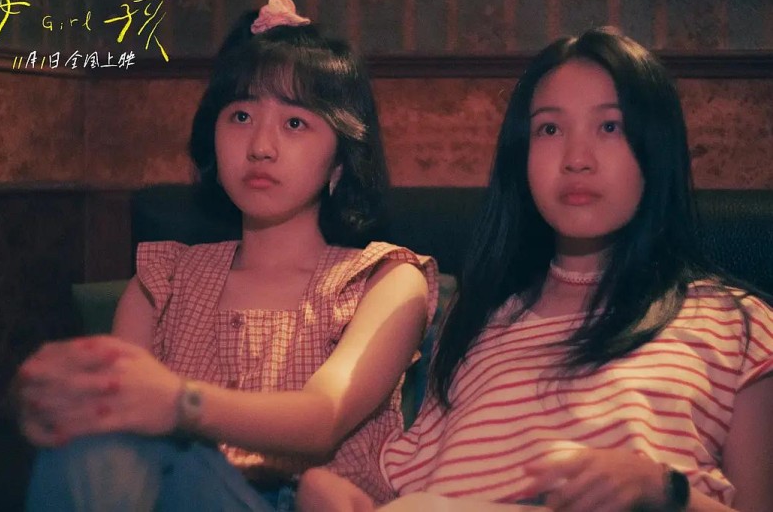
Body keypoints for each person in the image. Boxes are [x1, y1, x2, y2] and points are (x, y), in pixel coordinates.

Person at [296, 27, 773, 512]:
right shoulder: (474, 321)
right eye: (549, 129)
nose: (577, 159)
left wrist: (665, 491)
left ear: (656, 146)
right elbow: (418, 481)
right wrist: (329, 491)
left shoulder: (736, 324)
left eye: (610, 127)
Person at [15, 0, 438, 511]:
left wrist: (179, 403)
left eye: (295, 123)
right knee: (97, 447)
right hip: (167, 489)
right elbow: (115, 408)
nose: (260, 146)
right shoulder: (164, 278)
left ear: (340, 160)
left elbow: (323, 418)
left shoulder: (382, 279)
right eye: (240, 116)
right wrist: (53, 398)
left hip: (311, 501)